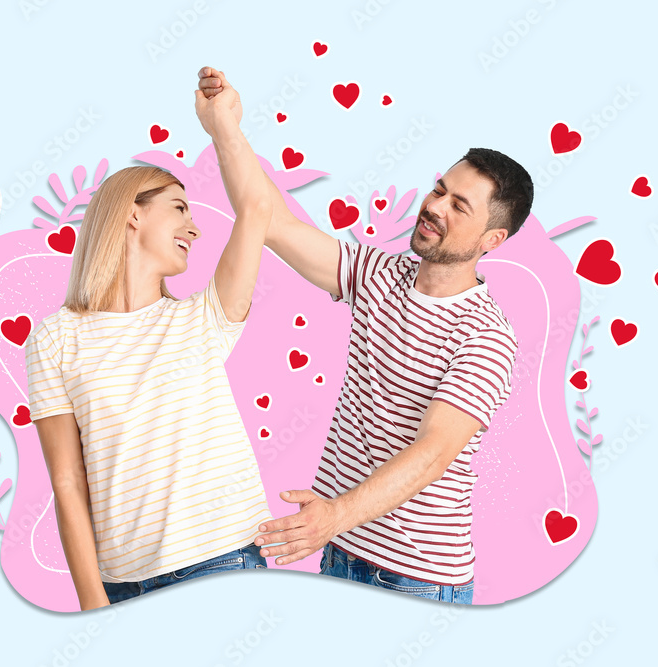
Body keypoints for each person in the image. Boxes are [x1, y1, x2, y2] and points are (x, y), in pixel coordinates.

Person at [198, 66, 534, 604]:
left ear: (492, 238)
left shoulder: (487, 335)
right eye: (439, 190)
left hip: (418, 581)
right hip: (341, 553)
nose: (434, 206)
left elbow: (432, 452)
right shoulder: (377, 274)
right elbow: (270, 221)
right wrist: (225, 129)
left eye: (458, 205)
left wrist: (332, 515)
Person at [24, 74, 276, 609]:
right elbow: (68, 484)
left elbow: (256, 208)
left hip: (224, 563)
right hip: (122, 585)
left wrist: (222, 127)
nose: (196, 227)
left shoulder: (203, 318)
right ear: (133, 213)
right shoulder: (56, 338)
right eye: (180, 207)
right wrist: (94, 605)